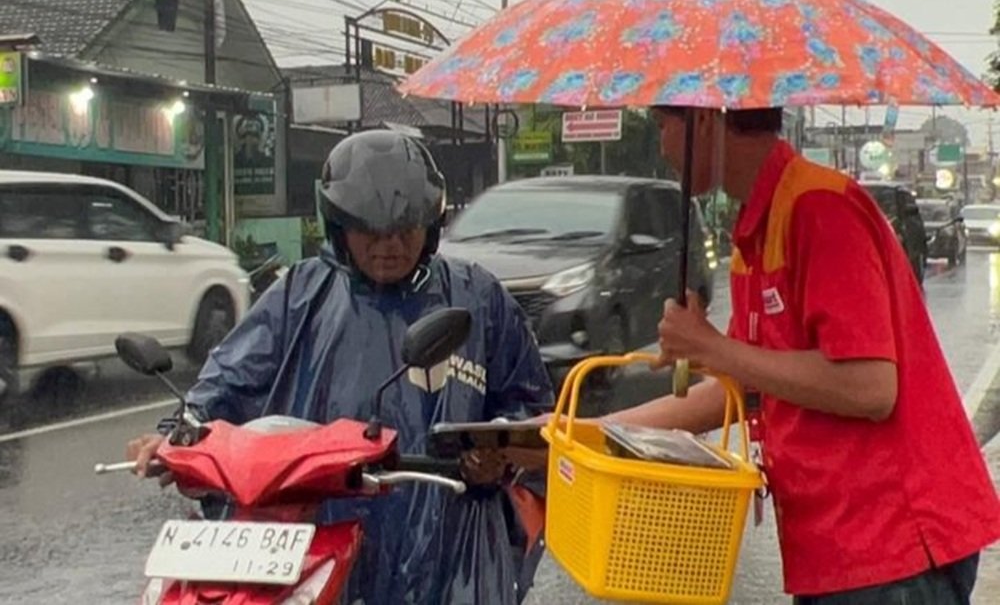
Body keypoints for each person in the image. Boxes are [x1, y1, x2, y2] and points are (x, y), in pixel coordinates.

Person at [126, 130, 553, 604]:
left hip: (446, 540)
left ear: (430, 226)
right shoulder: (301, 294)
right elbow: (228, 379)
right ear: (340, 227)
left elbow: (531, 410)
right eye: (371, 232)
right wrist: (178, 433)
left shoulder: (477, 297)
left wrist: (494, 452)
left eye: (405, 230)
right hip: (313, 527)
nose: (388, 246)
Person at [611, 106, 1000, 604]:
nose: (661, 144)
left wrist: (713, 347)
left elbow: (870, 387)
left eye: (663, 124)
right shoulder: (759, 225)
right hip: (836, 550)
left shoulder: (819, 207)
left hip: (892, 544)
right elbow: (742, 383)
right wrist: (593, 431)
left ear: (705, 120)